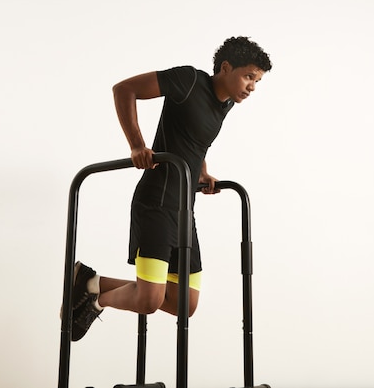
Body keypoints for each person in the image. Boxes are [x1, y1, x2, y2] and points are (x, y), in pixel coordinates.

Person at [69, 36, 272, 341]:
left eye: (256, 81)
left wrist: (202, 172)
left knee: (184, 303)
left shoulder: (226, 103)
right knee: (149, 300)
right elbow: (124, 89)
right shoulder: (188, 80)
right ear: (226, 68)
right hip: (157, 200)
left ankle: (89, 282)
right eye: (248, 77)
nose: (252, 87)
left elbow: (197, 142)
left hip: (184, 208)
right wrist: (137, 145)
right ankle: (96, 301)